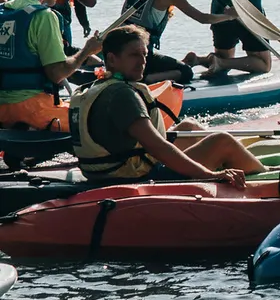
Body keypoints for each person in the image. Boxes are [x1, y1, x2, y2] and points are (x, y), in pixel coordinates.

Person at [69, 25, 263, 185]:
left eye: (144, 55)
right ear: (111, 59)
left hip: (105, 171)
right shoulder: (121, 95)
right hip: (132, 179)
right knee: (222, 141)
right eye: (134, 55)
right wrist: (210, 175)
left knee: (188, 127)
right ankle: (266, 179)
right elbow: (158, 147)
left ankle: (245, 166)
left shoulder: (97, 87)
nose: (142, 61)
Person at [0, 0, 104, 116]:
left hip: (2, 105)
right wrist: (87, 51)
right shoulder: (44, 16)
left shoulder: (4, 10)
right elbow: (57, 73)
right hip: (32, 107)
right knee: (95, 119)